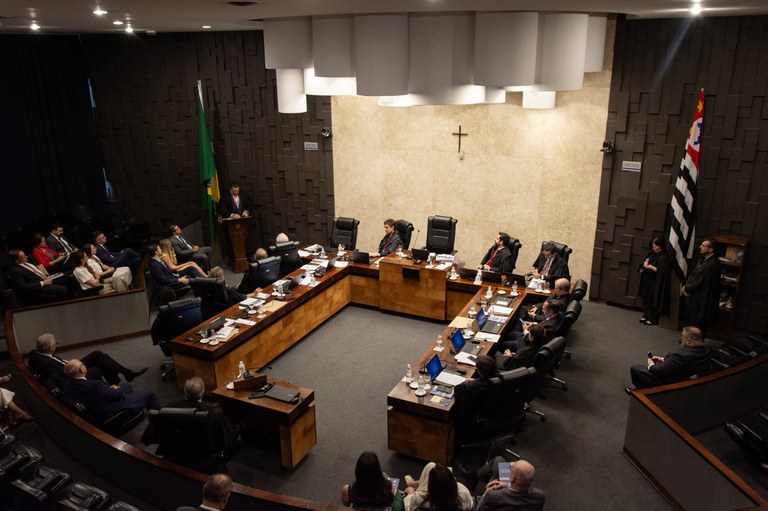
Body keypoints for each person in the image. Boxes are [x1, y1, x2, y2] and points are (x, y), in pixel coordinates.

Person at [144, 377, 240, 461]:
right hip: (203, 457)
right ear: (203, 392)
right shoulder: (213, 413)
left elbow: (152, 435)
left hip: (175, 454)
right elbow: (229, 438)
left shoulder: (167, 410)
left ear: (185, 392)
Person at [28, 333, 147, 388]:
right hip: (73, 375)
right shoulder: (46, 365)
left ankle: (126, 373)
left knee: (97, 355)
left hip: (69, 366)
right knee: (100, 367)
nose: (56, 346)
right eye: (55, 344)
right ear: (50, 348)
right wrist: (76, 372)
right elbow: (61, 381)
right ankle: (116, 383)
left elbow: (32, 360)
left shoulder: (36, 353)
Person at [62, 359, 161, 422]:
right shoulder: (95, 384)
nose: (84, 365)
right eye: (82, 364)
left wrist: (110, 389)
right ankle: (161, 421)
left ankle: (134, 404)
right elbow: (115, 396)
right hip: (113, 409)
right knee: (150, 394)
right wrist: (114, 389)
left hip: (96, 409)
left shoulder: (66, 386)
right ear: (82, 370)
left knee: (126, 385)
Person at [627, 326, 712, 391]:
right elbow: (680, 363)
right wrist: (663, 359)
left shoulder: (680, 355)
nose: (681, 338)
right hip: (690, 379)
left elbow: (658, 371)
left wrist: (651, 365)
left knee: (636, 369)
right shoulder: (707, 347)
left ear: (688, 341)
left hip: (673, 385)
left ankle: (642, 393)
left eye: (683, 336)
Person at [453, 355, 498, 444]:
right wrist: (475, 381)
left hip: (479, 417)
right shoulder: (500, 379)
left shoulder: (469, 387)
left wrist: (467, 382)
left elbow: (457, 391)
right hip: (498, 411)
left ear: (479, 371)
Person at [681, 237, 721, 336]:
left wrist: (686, 288)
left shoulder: (712, 264)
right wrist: (687, 286)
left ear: (711, 249)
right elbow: (694, 275)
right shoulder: (703, 260)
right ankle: (691, 341)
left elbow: (700, 282)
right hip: (695, 297)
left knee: (698, 323)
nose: (700, 247)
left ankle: (697, 344)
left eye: (703, 246)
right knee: (693, 320)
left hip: (702, 299)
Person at [474, 459, 545, 511]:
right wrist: (507, 485)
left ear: (512, 478)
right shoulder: (539, 496)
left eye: (511, 469)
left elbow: (478, 509)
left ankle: (473, 477)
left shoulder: (493, 496)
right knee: (498, 461)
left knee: (498, 460)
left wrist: (485, 493)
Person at [403, 462, 474, 510]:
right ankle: (416, 483)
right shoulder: (463, 494)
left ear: (430, 487)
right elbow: (470, 505)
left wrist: (410, 493)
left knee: (430, 466)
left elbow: (408, 506)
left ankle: (414, 483)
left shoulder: (419, 500)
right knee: (431, 466)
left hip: (427, 495)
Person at [638, 237, 671, 325]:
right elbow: (647, 260)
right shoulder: (651, 253)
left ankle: (653, 318)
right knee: (645, 298)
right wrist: (645, 263)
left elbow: (662, 271)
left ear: (660, 246)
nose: (653, 247)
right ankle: (645, 314)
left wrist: (651, 267)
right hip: (646, 279)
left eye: (655, 246)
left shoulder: (664, 257)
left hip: (655, 282)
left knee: (652, 299)